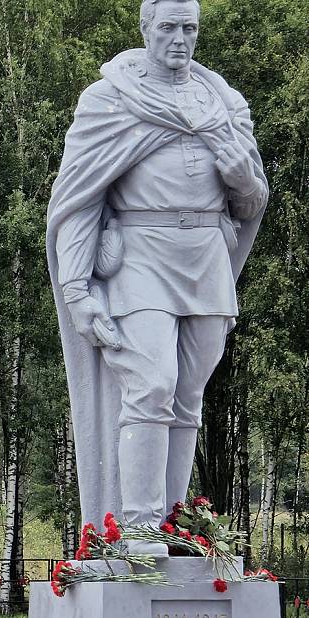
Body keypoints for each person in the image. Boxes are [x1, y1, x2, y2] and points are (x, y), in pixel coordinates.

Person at [47, 0, 267, 548]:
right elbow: (79, 200)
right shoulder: (109, 100)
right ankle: (139, 527)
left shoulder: (224, 104)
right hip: (139, 257)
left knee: (187, 397)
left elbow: (252, 201)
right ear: (146, 29)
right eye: (168, 27)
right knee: (151, 385)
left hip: (207, 258)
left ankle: (174, 525)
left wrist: (240, 173)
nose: (180, 39)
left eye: (189, 28)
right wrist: (77, 291)